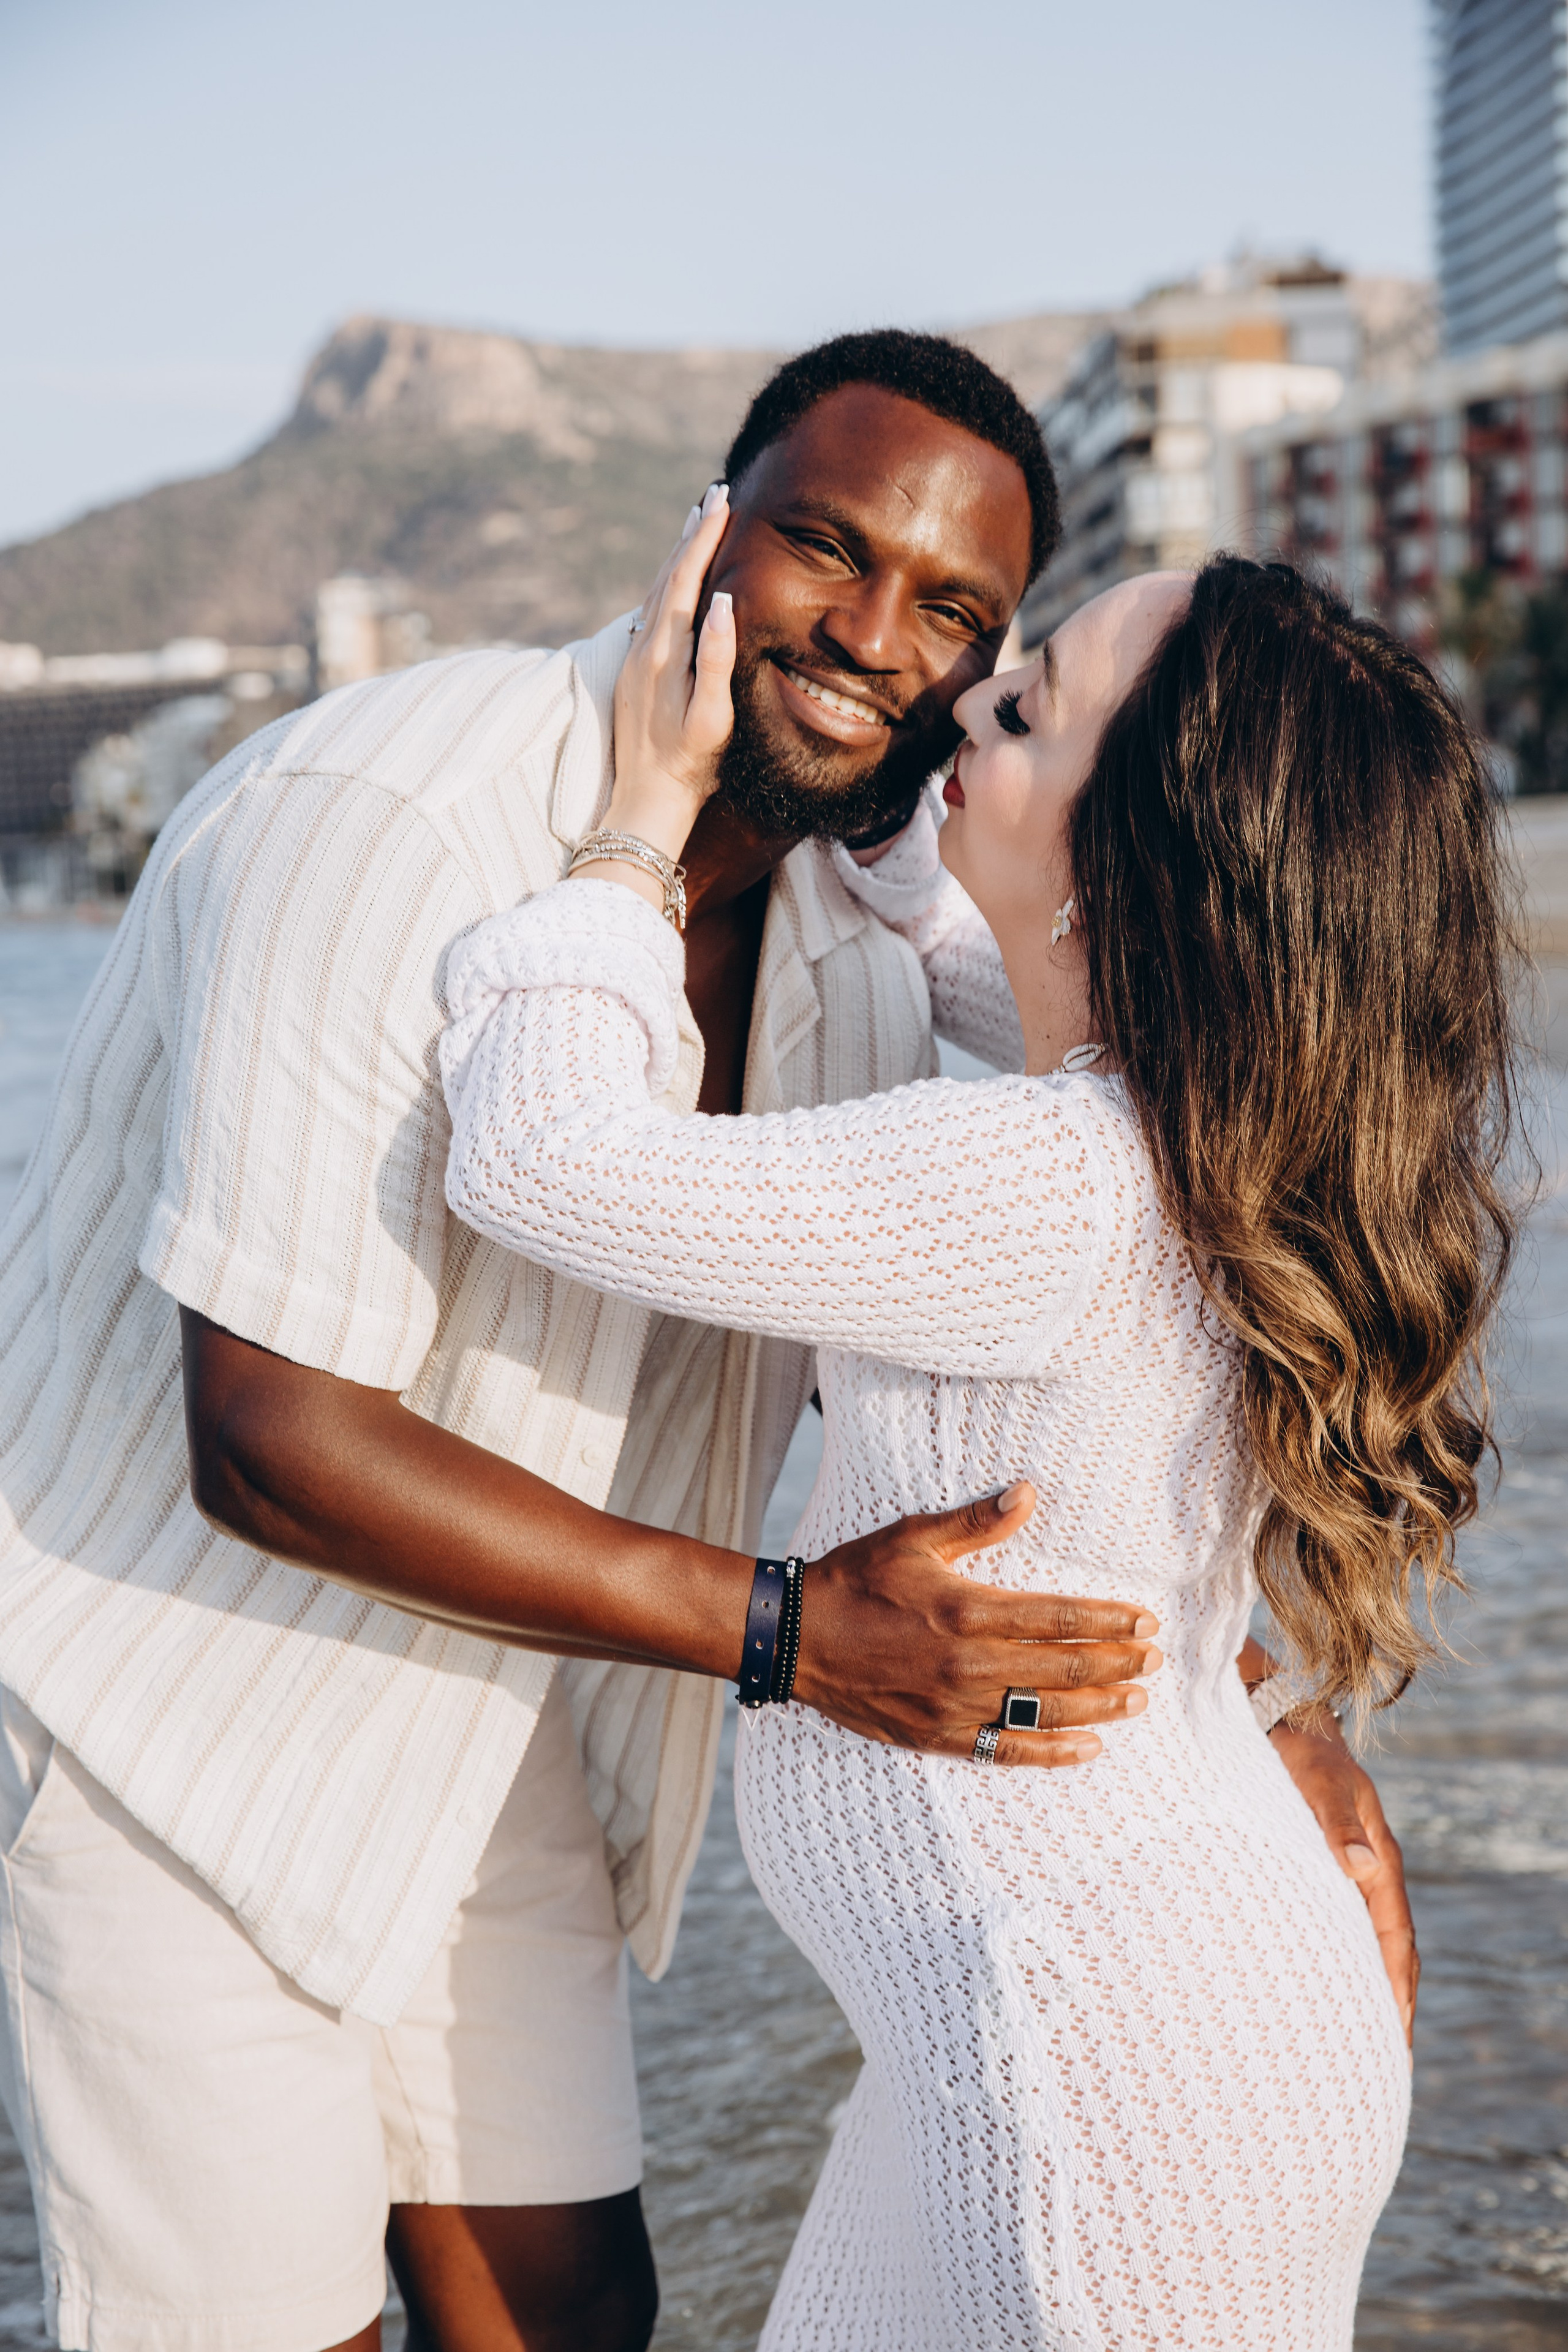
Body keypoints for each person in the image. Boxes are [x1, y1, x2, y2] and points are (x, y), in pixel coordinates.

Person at [0, 330, 1406, 2352]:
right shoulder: (385, 819)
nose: (878, 639)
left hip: (513, 1704)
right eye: (827, 546)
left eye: (961, 617)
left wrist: (1260, 1705)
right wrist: (790, 1632)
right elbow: (270, 1439)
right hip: (185, 1716)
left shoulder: (871, 918)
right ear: (709, 528)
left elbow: (1072, 1343)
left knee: (574, 2311)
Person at [440, 511, 1520, 2347]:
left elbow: (538, 1156)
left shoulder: (1047, 1184)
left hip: (1106, 2074)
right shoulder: (1211, 1123)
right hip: (1081, 2013)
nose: (965, 701)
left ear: (1137, 853)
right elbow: (950, 943)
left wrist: (634, 828)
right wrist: (899, 825)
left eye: (1028, 709)